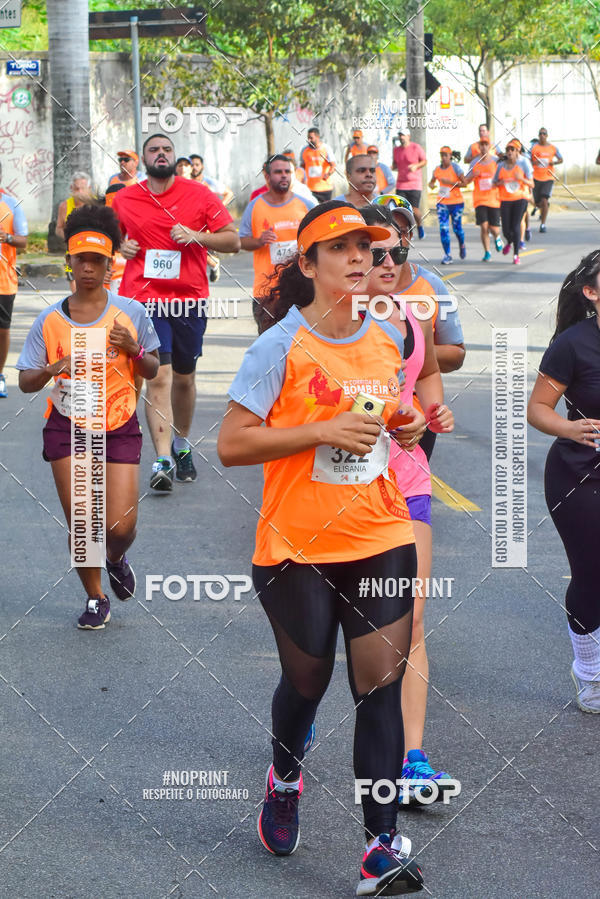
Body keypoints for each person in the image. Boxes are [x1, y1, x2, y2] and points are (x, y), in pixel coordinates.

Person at [218, 200, 426, 895]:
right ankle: (284, 777)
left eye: (367, 246)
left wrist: (405, 421)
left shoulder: (387, 334)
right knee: (307, 682)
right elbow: (232, 444)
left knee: (379, 686)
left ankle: (379, 847)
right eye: (340, 247)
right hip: (296, 545)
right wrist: (322, 431)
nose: (360, 257)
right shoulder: (278, 346)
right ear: (307, 264)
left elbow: (387, 412)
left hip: (380, 532)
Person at [16, 204, 160, 629]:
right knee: (83, 522)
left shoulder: (130, 313)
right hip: (68, 427)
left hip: (119, 425)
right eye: (81, 260)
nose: (89, 269)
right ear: (70, 262)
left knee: (120, 527)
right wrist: (51, 369)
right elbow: (25, 381)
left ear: (110, 263)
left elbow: (153, 368)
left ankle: (115, 557)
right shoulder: (49, 320)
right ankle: (96, 597)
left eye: (98, 260)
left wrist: (134, 349)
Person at [361, 202, 457, 800]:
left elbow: (427, 384)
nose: (389, 262)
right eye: (375, 253)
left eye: (397, 251)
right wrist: (384, 415)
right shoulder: (318, 328)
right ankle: (299, 720)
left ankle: (411, 758)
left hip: (407, 483)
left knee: (411, 617)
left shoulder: (410, 320)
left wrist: (431, 413)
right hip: (338, 491)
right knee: (330, 633)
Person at [112, 132, 240, 492]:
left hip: (188, 300)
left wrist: (198, 236)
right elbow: (107, 236)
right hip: (144, 299)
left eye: (167, 149)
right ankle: (163, 459)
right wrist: (120, 245)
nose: (161, 154)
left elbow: (232, 240)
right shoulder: (125, 198)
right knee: (159, 376)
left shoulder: (200, 194)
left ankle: (181, 444)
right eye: (154, 149)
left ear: (174, 156)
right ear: (144, 159)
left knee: (184, 378)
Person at [527, 251, 600, 712]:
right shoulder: (573, 344)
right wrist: (570, 428)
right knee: (593, 575)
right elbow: (538, 408)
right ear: (591, 293)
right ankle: (590, 673)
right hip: (582, 476)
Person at [373, 194, 466, 460]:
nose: (395, 239)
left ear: (410, 237)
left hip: (416, 412)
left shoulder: (431, 286)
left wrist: (413, 351)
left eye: (401, 231)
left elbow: (456, 354)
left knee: (410, 479)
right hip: (368, 409)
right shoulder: (349, 294)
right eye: (384, 232)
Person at [239, 154, 315, 328]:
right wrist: (259, 241)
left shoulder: (306, 205)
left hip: (301, 287)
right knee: (269, 341)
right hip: (266, 290)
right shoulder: (255, 206)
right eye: (278, 172)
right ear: (267, 176)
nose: (284, 176)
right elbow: (241, 242)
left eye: (287, 172)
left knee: (302, 340)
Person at [0, 162, 28, 398]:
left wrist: (7, 237)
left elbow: (23, 240)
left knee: (2, 330)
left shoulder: (11, 204)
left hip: (3, 281)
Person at [492, 140, 534, 265]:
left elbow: (532, 184)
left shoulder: (523, 163)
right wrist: (501, 183)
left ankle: (516, 255)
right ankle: (510, 241)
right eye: (508, 149)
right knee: (506, 229)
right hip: (505, 199)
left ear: (517, 152)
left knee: (515, 226)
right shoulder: (501, 166)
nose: (509, 152)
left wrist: (521, 179)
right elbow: (494, 183)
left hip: (520, 198)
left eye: (512, 149)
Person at [56, 172, 96, 294]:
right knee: (77, 293)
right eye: (76, 189)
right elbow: (59, 228)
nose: (79, 192)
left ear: (89, 189)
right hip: (73, 253)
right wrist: (68, 238)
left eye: (83, 189)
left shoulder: (97, 205)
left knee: (95, 291)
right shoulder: (65, 206)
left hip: (94, 252)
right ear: (71, 188)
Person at [464, 138, 503, 261]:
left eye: (486, 144)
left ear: (489, 147)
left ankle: (497, 237)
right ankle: (487, 252)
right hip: (479, 199)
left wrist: (497, 183)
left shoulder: (496, 161)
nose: (484, 147)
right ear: (479, 147)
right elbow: (466, 180)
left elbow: (503, 177)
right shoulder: (474, 162)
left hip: (494, 199)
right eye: (482, 145)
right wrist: (472, 176)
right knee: (484, 226)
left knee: (493, 228)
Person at [428, 147, 467, 265]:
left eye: (446, 155)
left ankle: (462, 244)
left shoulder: (455, 168)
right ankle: (447, 254)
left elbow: (465, 183)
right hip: (442, 203)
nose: (444, 157)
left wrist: (449, 183)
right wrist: (431, 185)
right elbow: (431, 182)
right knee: (443, 229)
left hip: (456, 203)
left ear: (450, 156)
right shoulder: (437, 169)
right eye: (442, 155)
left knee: (457, 229)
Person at [392, 129, 427, 239]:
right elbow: (395, 164)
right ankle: (407, 232)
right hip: (401, 184)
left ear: (408, 136)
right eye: (400, 135)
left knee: (414, 209)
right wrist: (390, 168)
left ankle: (420, 226)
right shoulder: (396, 150)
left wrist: (416, 166)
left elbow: (424, 161)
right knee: (402, 210)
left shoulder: (416, 147)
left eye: (403, 135)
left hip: (414, 184)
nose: (401, 137)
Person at [530, 128, 562, 233]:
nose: (542, 135)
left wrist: (554, 163)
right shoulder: (534, 148)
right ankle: (542, 206)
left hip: (548, 177)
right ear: (538, 135)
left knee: (544, 200)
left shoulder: (553, 148)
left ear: (547, 135)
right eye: (540, 134)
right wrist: (534, 163)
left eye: (544, 133)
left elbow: (561, 159)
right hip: (536, 177)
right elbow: (528, 160)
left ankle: (543, 224)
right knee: (538, 203)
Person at [300, 127, 336, 202]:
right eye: (308, 138)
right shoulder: (304, 150)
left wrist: (328, 174)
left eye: (311, 138)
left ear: (317, 137)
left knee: (325, 208)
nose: (309, 140)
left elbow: (333, 165)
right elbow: (302, 167)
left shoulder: (326, 149)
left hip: (325, 188)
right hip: (310, 189)